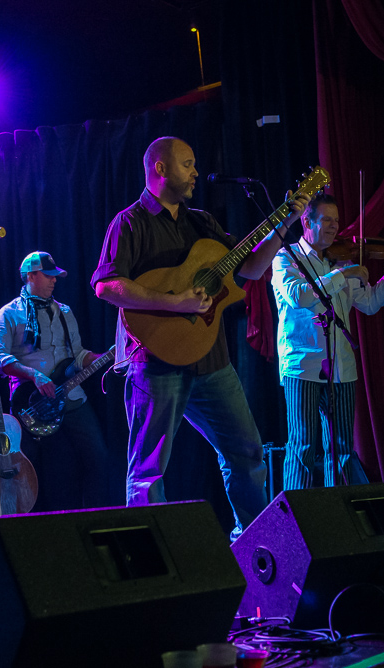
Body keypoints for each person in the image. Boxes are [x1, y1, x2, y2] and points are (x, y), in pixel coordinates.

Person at [91, 136, 308, 539]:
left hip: (211, 362)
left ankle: (258, 547)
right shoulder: (130, 221)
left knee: (247, 453)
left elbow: (251, 268)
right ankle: (150, 560)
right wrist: (175, 303)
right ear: (160, 168)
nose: (195, 172)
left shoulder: (203, 222)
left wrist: (283, 227)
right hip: (154, 364)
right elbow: (106, 286)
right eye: (187, 164)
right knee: (148, 471)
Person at [270, 194, 384, 489]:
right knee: (302, 447)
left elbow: (371, 302)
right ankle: (296, 520)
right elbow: (300, 296)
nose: (335, 227)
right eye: (327, 220)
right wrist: (343, 273)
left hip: (341, 367)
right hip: (303, 365)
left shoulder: (342, 262)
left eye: (336, 220)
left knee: (341, 450)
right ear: (306, 222)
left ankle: (340, 517)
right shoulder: (286, 258)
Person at [0, 251, 110, 510]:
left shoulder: (64, 311)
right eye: (48, 275)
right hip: (31, 403)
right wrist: (33, 374)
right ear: (30, 276)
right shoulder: (8, 313)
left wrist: (108, 356)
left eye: (56, 276)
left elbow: (77, 356)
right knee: (34, 468)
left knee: (98, 457)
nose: (54, 281)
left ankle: (94, 519)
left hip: (71, 397)